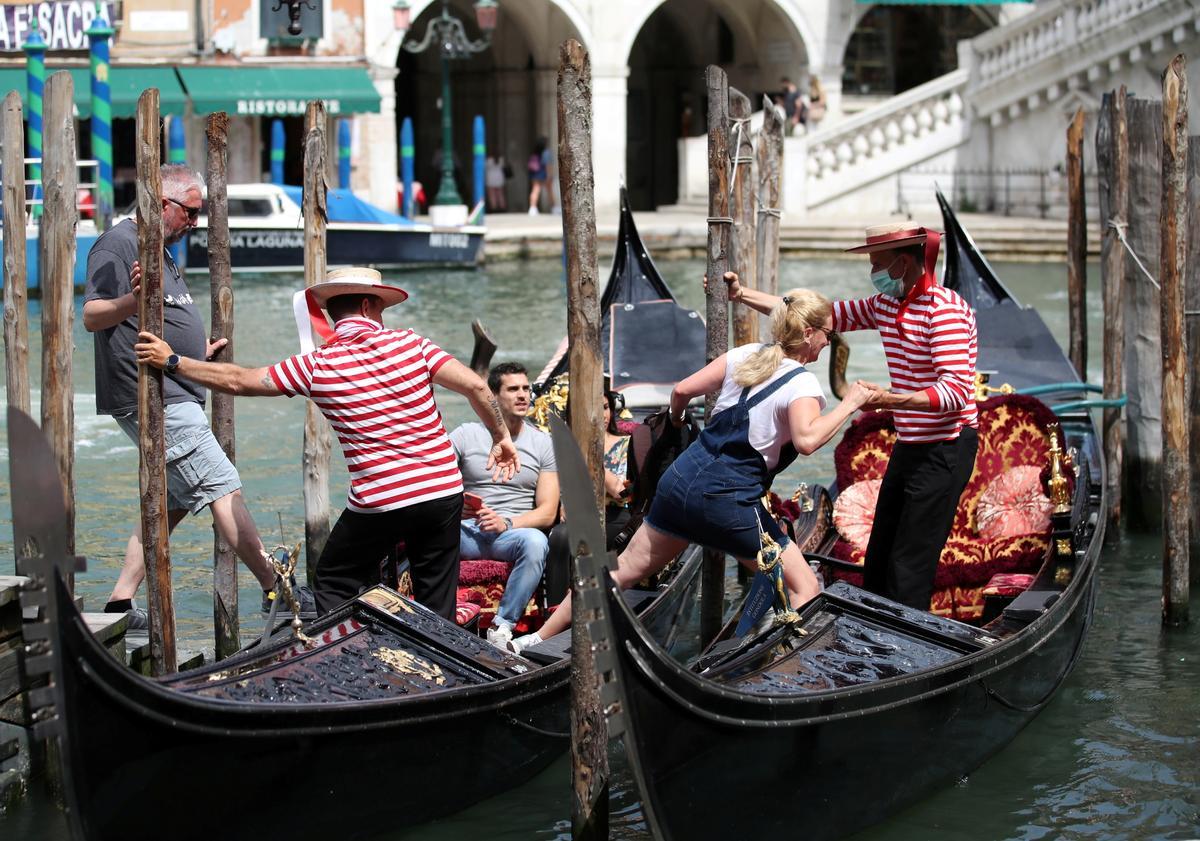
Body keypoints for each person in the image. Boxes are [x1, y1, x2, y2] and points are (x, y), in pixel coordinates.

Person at [133, 267, 520, 622]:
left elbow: (240, 380)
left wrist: (173, 362)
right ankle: (443, 672)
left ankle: (353, 658)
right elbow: (474, 385)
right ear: (369, 307)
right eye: (381, 309)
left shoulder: (318, 365)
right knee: (437, 597)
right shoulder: (412, 344)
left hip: (380, 503)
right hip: (441, 491)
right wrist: (501, 437)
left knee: (334, 579)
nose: (383, 316)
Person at [514, 290, 873, 653]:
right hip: (729, 500)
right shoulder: (803, 384)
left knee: (618, 572)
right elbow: (808, 440)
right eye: (828, 334)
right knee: (804, 586)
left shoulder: (744, 354)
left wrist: (675, 421)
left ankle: (534, 639)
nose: (829, 342)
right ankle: (785, 672)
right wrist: (852, 403)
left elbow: (682, 390)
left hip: (680, 484)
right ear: (809, 333)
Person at [725, 222, 979, 612]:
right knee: (879, 556)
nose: (872, 273)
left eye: (877, 263)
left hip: (945, 449)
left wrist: (888, 400)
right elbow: (808, 316)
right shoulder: (887, 305)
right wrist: (742, 296)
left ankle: (904, 652)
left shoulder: (943, 312)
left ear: (902, 264)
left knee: (909, 563)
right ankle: (873, 639)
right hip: (910, 445)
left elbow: (956, 392)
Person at [83, 164, 285, 630]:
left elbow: (165, 313)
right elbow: (93, 314)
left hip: (178, 386)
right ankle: (275, 586)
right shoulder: (118, 243)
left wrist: (197, 352)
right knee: (222, 484)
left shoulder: (163, 248)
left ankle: (118, 601)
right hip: (153, 393)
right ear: (162, 203)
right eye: (190, 212)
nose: (195, 222)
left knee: (171, 503)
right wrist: (134, 303)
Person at [452, 362, 560, 649]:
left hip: (512, 536)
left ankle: (502, 627)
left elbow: (548, 512)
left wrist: (507, 523)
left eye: (526, 388)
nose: (523, 395)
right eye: (513, 389)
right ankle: (433, 615)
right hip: (466, 532)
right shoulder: (465, 435)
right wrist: (454, 503)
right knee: (427, 526)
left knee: (536, 542)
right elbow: (432, 480)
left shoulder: (543, 444)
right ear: (493, 396)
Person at [527, 137, 555, 215]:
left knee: (535, 190)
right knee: (550, 191)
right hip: (544, 173)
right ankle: (554, 208)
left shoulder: (535, 152)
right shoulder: (546, 152)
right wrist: (549, 175)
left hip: (535, 173)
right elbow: (548, 165)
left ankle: (532, 208)